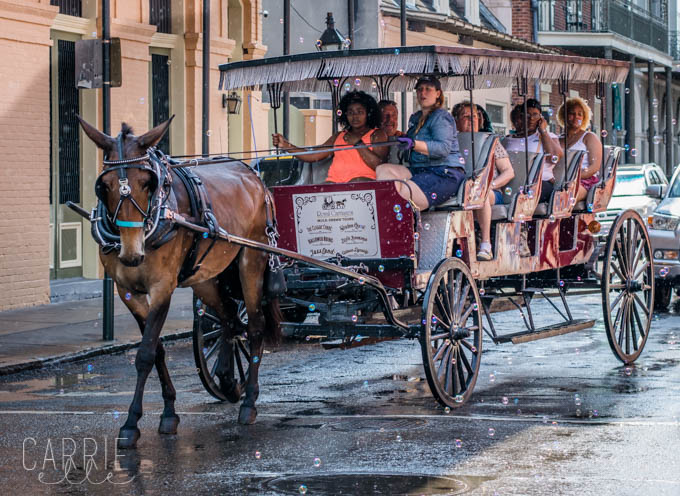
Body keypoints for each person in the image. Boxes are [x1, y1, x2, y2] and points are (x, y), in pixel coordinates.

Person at [376, 76, 465, 210]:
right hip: (420, 170)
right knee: (383, 169)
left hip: (444, 172)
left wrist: (413, 144)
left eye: (428, 89)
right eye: (419, 89)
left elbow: (443, 149)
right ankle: (393, 212)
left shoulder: (441, 117)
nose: (422, 93)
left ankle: (399, 220)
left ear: (438, 93)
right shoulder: (416, 118)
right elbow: (412, 143)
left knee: (403, 193)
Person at [272, 90, 388, 183]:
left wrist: (358, 144)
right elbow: (313, 156)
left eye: (359, 112)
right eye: (350, 112)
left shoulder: (377, 134)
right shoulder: (339, 136)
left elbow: (379, 166)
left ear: (368, 114)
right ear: (345, 115)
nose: (355, 116)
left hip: (364, 185)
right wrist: (286, 145)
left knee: (355, 182)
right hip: (334, 184)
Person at [453, 101, 514, 261]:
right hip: (461, 189)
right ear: (456, 121)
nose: (471, 120)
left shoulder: (491, 141)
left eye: (474, 116)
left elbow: (509, 172)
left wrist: (490, 185)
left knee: (481, 193)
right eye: (465, 117)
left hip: (491, 193)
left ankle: (486, 244)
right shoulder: (452, 141)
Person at [502, 99, 563, 203]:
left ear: (541, 118)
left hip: (540, 183)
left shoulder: (547, 137)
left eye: (535, 115)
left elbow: (554, 157)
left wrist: (543, 131)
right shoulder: (508, 139)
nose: (531, 119)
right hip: (512, 182)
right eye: (527, 115)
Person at [556, 97, 603, 202]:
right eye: (572, 113)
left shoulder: (589, 137)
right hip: (560, 181)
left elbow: (594, 167)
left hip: (584, 181)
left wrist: (573, 177)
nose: (576, 117)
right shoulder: (557, 140)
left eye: (579, 114)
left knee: (567, 195)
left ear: (584, 117)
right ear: (564, 116)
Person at [378, 99, 404, 164]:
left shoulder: (405, 139)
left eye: (393, 115)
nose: (390, 119)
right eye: (385, 115)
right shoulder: (368, 141)